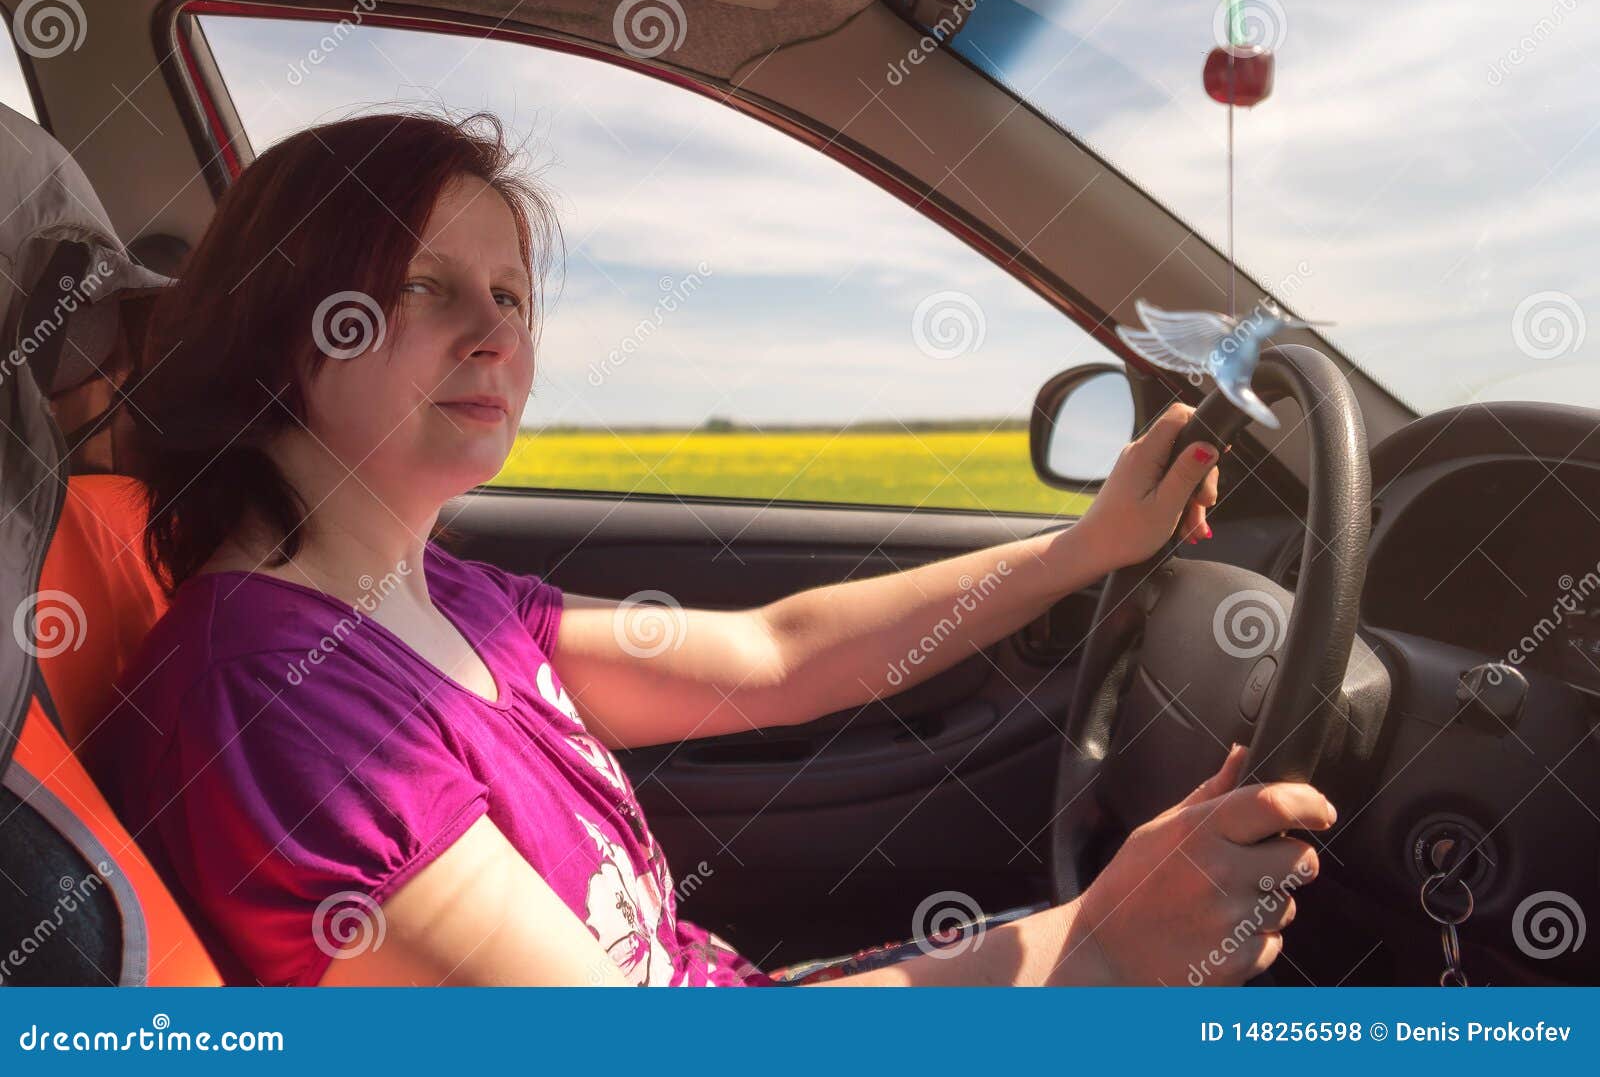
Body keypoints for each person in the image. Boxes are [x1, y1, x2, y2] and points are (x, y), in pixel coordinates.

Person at [89, 112, 1334, 988]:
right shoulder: (270, 686)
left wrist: (1082, 548)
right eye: (425, 286)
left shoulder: (450, 601)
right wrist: (1097, 950)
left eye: (512, 296)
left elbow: (773, 652)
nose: (494, 335)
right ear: (277, 318)